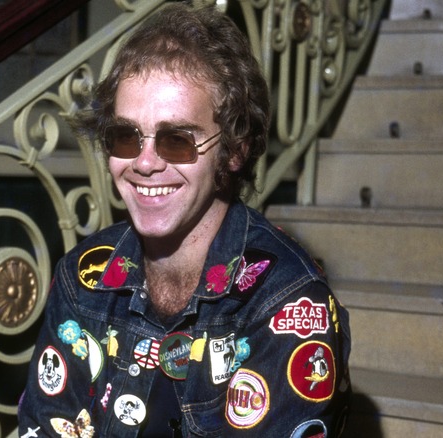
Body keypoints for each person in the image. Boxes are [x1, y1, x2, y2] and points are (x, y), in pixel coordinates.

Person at [18, 3, 351, 437]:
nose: (144, 163)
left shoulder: (286, 304)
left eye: (177, 140)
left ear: (234, 150)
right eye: (126, 137)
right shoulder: (82, 280)